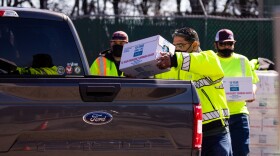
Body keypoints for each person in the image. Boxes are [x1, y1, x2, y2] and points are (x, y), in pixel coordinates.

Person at [156, 27, 233, 156]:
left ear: (195, 44)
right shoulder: (171, 67)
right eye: (174, 46)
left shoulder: (209, 58)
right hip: (184, 133)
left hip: (214, 132)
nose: (176, 49)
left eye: (181, 45)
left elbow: (198, 62)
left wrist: (175, 60)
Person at [214, 29, 259, 156]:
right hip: (218, 116)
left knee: (241, 152)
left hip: (239, 115)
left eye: (230, 43)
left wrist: (252, 92)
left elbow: (253, 82)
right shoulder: (211, 61)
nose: (227, 47)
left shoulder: (242, 60)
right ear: (216, 44)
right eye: (223, 44)